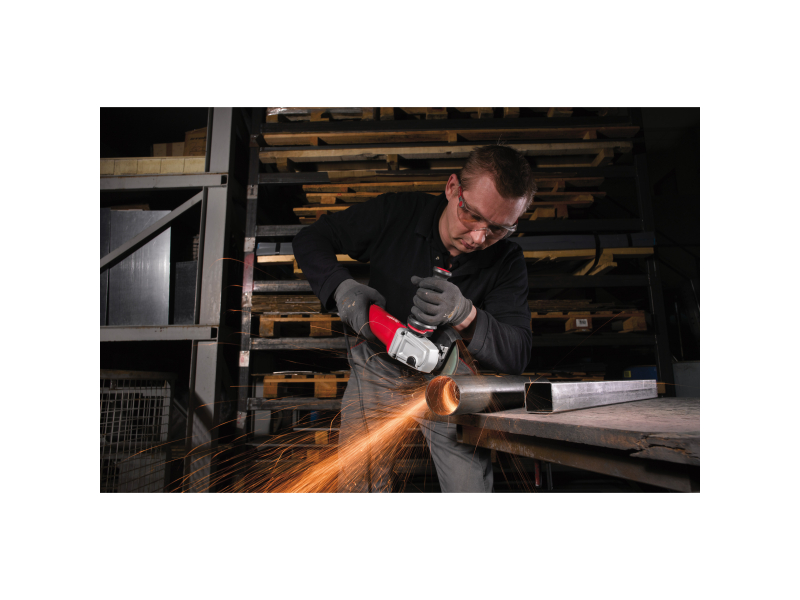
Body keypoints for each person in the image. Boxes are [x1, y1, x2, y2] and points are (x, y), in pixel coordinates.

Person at [293, 145, 536, 492]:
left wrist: (465, 314)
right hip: (377, 367)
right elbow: (311, 238)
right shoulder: (398, 213)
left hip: (448, 380)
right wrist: (341, 289)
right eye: (472, 216)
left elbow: (516, 354)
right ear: (453, 188)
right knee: (359, 485)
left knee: (469, 490)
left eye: (497, 229)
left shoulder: (506, 260)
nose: (478, 238)